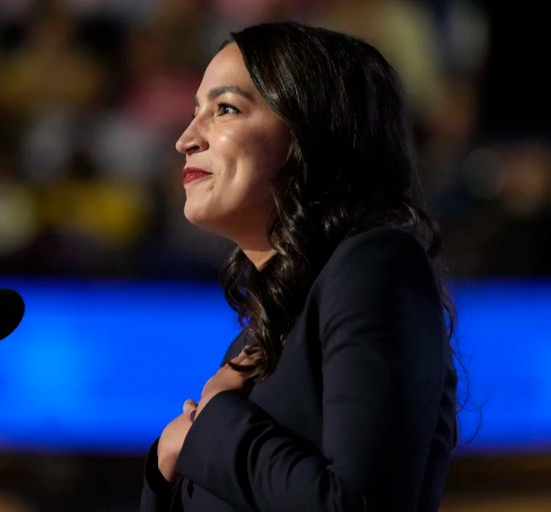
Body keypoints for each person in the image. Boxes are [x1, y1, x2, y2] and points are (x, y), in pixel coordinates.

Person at [139, 20, 458, 512]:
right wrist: (164, 469)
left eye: (224, 109)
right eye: (193, 111)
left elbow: (357, 504)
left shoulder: (376, 265)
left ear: (310, 134)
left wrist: (215, 421)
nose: (186, 139)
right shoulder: (254, 343)